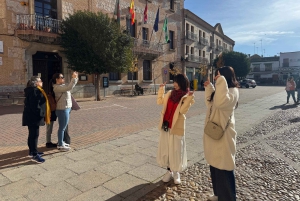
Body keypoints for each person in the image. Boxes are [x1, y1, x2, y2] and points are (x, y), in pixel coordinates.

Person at [203, 66, 239, 201]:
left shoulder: (233, 91)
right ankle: (218, 194)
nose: (215, 77)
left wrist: (221, 82)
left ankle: (229, 198)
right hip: (214, 132)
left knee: (224, 166)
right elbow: (211, 104)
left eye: (218, 75)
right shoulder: (221, 90)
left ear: (224, 76)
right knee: (215, 165)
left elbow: (220, 103)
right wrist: (209, 88)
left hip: (224, 134)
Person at [157, 74, 195, 185]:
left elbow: (183, 111)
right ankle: (169, 171)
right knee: (167, 150)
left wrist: (189, 98)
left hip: (177, 127)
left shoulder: (186, 96)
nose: (174, 84)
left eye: (177, 82)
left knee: (177, 150)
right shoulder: (170, 93)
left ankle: (176, 172)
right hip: (166, 126)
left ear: (182, 83)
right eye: (174, 82)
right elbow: (160, 101)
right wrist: (161, 89)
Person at [22, 76, 51, 163]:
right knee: (34, 135)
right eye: (40, 81)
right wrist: (42, 114)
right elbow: (35, 106)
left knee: (32, 134)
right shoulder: (35, 91)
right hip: (34, 117)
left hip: (30, 116)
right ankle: (34, 154)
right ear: (36, 83)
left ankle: (32, 151)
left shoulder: (31, 90)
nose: (42, 82)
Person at [53, 72, 78, 151]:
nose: (63, 78)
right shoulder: (56, 87)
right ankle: (60, 144)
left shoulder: (62, 85)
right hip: (62, 109)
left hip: (66, 108)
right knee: (62, 128)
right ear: (57, 79)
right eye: (61, 77)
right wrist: (73, 78)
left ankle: (62, 142)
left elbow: (71, 86)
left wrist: (75, 78)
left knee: (63, 127)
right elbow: (69, 87)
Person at [46, 77, 71, 148]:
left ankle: (51, 141)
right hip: (55, 109)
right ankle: (60, 141)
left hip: (53, 109)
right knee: (61, 126)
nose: (63, 79)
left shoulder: (51, 89)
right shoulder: (55, 89)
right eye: (61, 77)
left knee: (50, 127)